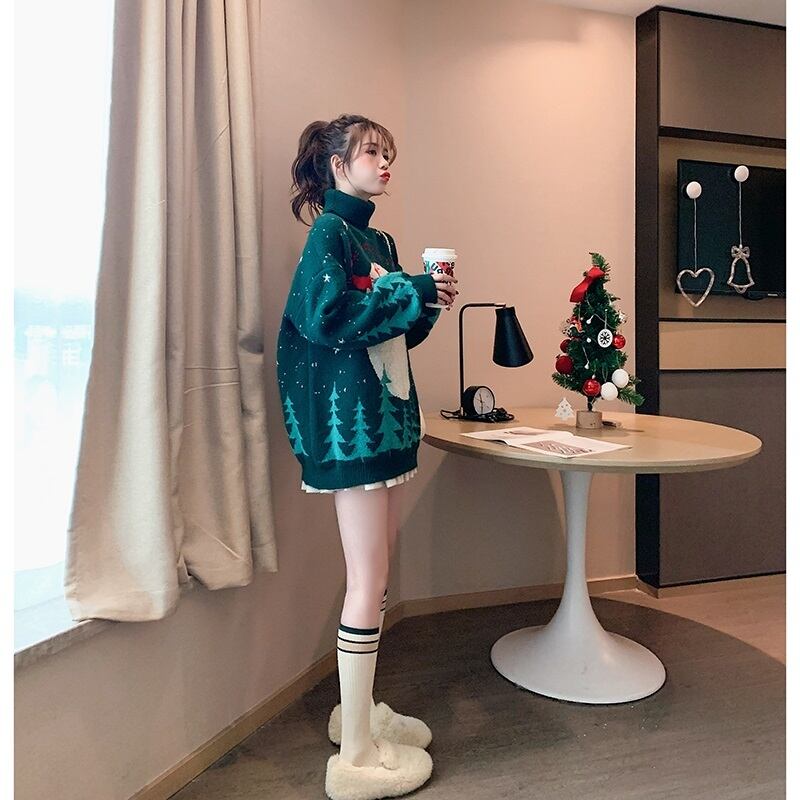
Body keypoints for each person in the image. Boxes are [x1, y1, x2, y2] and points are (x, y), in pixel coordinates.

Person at [276, 114, 458, 800]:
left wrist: (427, 302)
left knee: (376, 578)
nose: (386, 164)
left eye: (389, 154)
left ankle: (360, 711)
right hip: (350, 431)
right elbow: (324, 318)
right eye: (372, 152)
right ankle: (354, 749)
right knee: (368, 577)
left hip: (388, 422)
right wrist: (410, 290)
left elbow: (390, 330)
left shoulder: (377, 239)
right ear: (336, 164)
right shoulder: (329, 232)